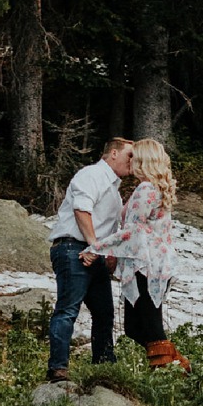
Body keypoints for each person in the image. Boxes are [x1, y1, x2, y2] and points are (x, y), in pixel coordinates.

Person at [46, 136, 134, 382]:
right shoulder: (91, 175)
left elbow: (110, 227)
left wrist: (107, 254)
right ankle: (58, 369)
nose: (133, 162)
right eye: (130, 155)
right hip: (73, 248)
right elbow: (81, 210)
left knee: (104, 313)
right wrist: (95, 247)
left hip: (94, 253)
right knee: (68, 310)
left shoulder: (114, 191)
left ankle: (104, 367)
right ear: (113, 153)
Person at [115, 137, 190, 370]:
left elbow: (132, 230)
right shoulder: (155, 187)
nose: (131, 162)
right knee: (135, 327)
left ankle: (170, 370)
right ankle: (177, 363)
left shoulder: (146, 188)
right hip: (157, 264)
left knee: (149, 326)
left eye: (134, 157)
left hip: (146, 265)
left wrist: (99, 248)